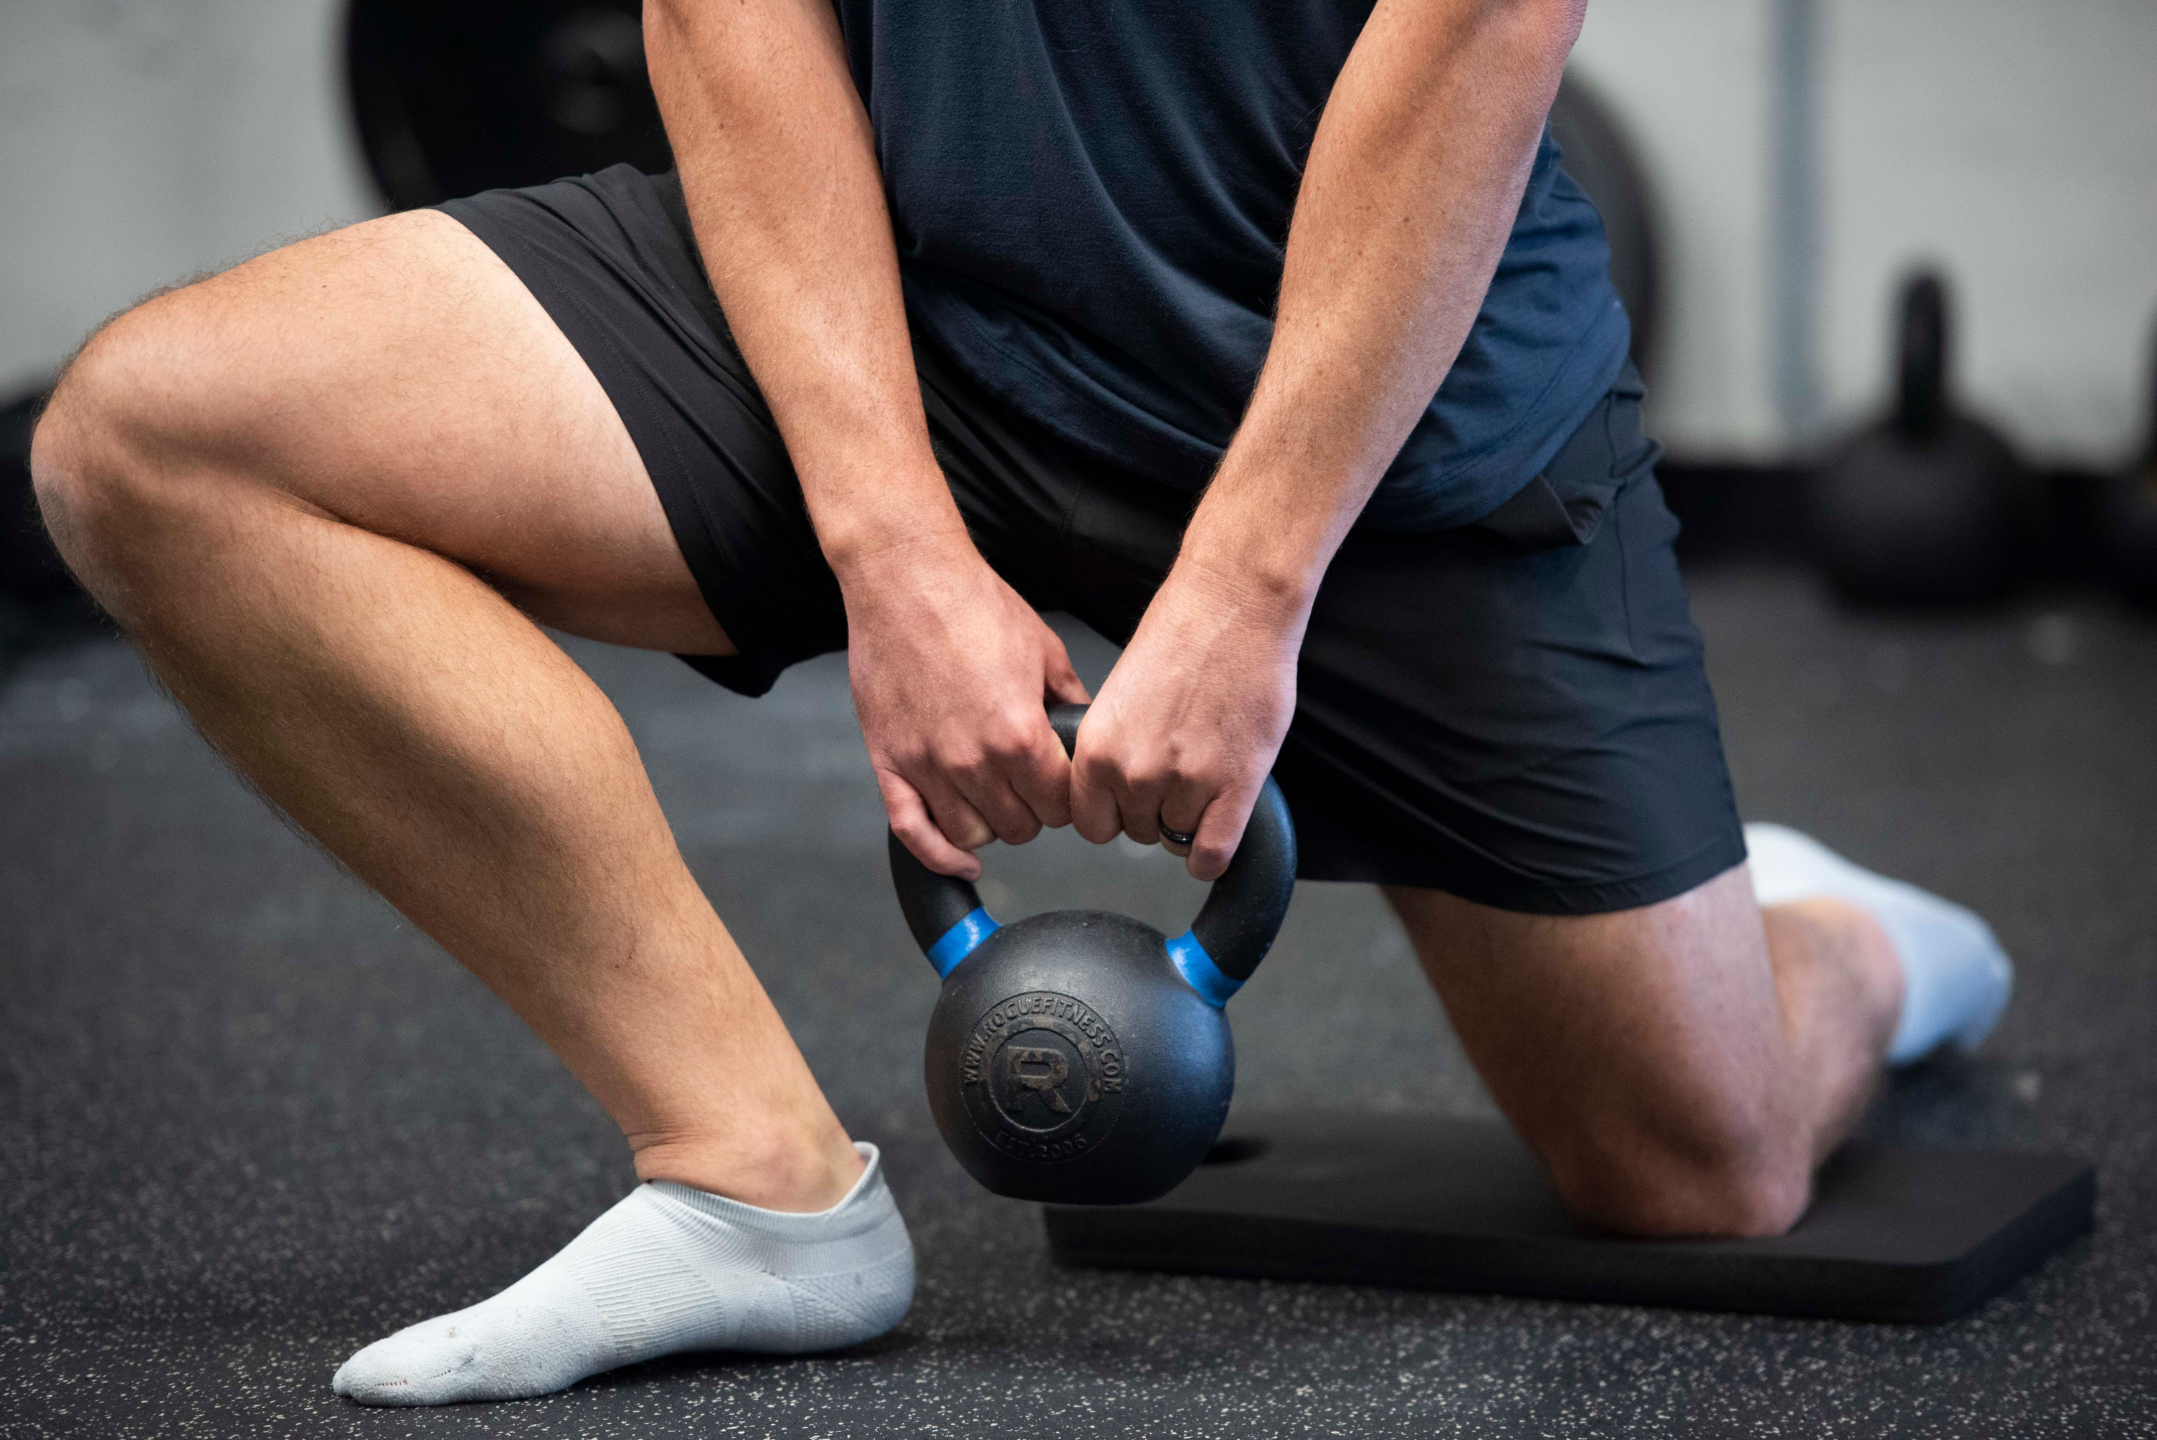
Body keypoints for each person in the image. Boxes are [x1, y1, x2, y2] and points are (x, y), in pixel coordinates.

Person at [28, 0, 2012, 1408]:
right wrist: (888, 548)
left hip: (1369, 390)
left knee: (1693, 1171)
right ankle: (752, 1184)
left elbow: (1485, 25)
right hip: (896, 296)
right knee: (163, 437)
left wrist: (1244, 591)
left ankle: (1839, 936)